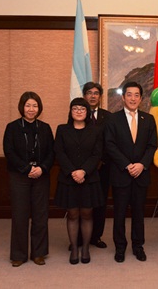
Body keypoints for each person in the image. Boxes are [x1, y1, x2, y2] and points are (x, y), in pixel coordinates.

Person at [104, 81, 157, 263]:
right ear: (123, 97)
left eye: (136, 95)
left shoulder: (148, 120)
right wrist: (127, 165)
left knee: (138, 213)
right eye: (129, 94)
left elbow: (152, 146)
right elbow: (109, 145)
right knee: (119, 213)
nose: (133, 98)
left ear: (141, 98)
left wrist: (141, 165)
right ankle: (120, 247)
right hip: (121, 174)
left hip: (141, 174)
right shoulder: (113, 119)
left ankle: (138, 246)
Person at [3, 91, 54, 267]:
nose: (31, 109)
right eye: (28, 105)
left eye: (34, 106)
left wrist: (41, 168)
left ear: (39, 108)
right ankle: (19, 254)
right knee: (20, 215)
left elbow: (51, 153)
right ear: (22, 107)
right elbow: (9, 152)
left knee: (40, 215)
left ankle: (38, 253)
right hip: (19, 176)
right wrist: (27, 169)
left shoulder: (45, 128)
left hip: (41, 176)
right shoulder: (12, 127)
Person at [54, 98, 103, 265]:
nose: (79, 111)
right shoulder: (62, 129)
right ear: (70, 111)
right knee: (73, 214)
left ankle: (86, 248)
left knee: (87, 214)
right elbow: (59, 153)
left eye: (82, 108)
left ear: (87, 112)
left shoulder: (96, 130)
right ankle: (74, 247)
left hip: (89, 178)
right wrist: (73, 172)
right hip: (69, 178)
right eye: (75, 108)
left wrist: (83, 171)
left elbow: (97, 154)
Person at [82, 82, 112, 248]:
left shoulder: (108, 117)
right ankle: (78, 238)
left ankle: (96, 237)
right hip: (82, 169)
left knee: (100, 203)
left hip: (102, 168)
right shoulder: (77, 114)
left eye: (96, 93)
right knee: (82, 204)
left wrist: (101, 161)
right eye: (89, 93)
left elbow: (110, 142)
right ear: (84, 96)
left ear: (100, 97)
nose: (92, 96)